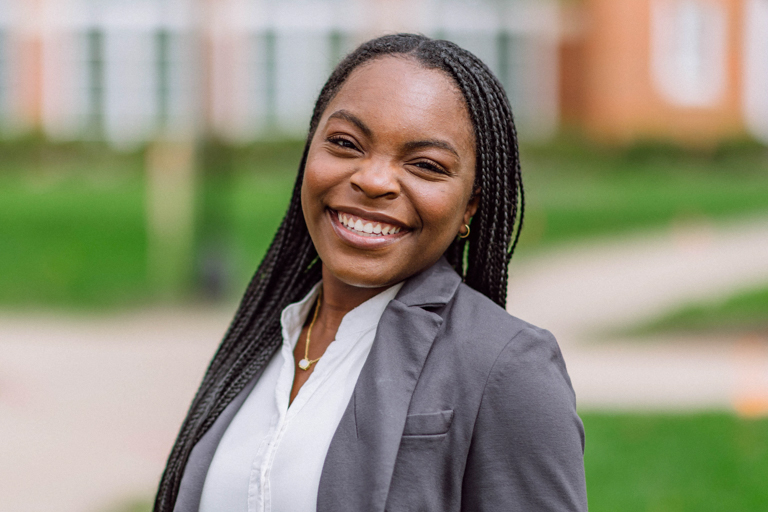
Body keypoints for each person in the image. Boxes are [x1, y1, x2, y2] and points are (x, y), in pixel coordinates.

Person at [154, 33, 587, 512]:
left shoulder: (508, 367)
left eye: (426, 165)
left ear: (470, 206)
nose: (373, 180)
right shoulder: (265, 339)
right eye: (345, 143)